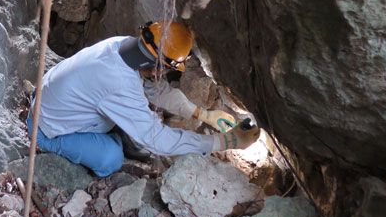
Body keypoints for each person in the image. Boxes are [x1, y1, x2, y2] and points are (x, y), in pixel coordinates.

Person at [26, 21, 260, 177]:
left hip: (53, 101)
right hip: (46, 129)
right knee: (111, 159)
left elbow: (155, 90)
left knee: (131, 128)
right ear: (157, 66)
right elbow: (157, 140)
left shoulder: (125, 46)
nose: (165, 74)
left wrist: (202, 114)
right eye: (167, 69)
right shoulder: (118, 82)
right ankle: (103, 142)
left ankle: (114, 135)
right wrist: (223, 143)